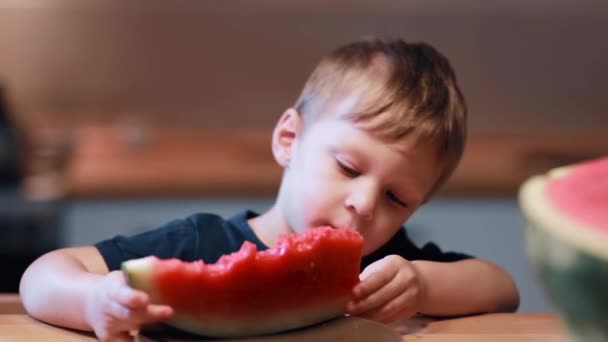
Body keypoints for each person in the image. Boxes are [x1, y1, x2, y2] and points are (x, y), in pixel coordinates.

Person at [20, 36, 520, 341]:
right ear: (288, 139)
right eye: (348, 167)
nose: (364, 205)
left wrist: (424, 284)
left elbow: (501, 289)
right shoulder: (201, 245)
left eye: (397, 198)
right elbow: (42, 276)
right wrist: (92, 301)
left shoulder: (383, 272)